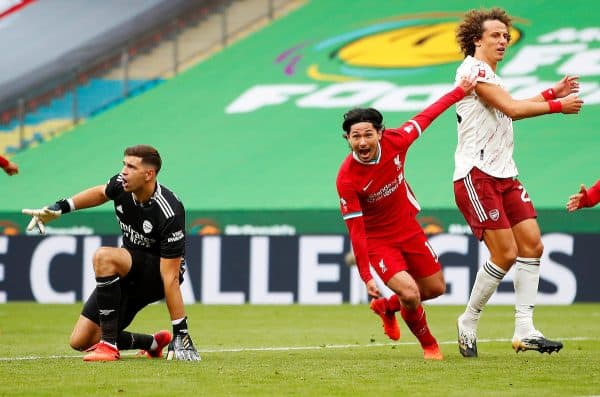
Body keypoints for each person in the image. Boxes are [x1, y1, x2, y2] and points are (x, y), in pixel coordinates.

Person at [453, 7, 584, 358]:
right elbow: (511, 110)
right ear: (476, 39)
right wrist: (557, 105)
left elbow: (510, 104)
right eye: (495, 35)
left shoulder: (492, 77)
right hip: (476, 176)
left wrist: (549, 93)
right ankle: (468, 319)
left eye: (506, 36)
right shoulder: (473, 70)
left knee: (532, 245)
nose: (503, 40)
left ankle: (525, 329)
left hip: (504, 174)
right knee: (506, 253)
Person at [336, 75, 477, 360]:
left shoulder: (397, 140)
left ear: (380, 133)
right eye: (355, 136)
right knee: (411, 294)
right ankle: (430, 345)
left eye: (368, 134)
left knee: (435, 288)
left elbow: (428, 114)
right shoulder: (347, 179)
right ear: (347, 139)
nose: (362, 142)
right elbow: (356, 230)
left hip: (409, 230)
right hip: (379, 243)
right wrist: (366, 277)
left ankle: (389, 307)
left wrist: (460, 91)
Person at [22, 145, 201, 362]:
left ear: (149, 174)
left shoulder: (169, 211)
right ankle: (153, 343)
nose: (124, 171)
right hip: (128, 271)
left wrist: (180, 332)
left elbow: (170, 276)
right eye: (124, 164)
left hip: (157, 276)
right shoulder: (121, 184)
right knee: (81, 341)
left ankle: (108, 346)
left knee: (104, 256)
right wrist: (61, 207)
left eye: (131, 166)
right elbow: (100, 193)